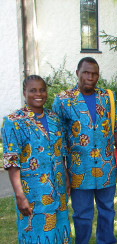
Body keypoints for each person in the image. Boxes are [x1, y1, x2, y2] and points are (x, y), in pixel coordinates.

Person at [52, 57, 117, 244]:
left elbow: (116, 128)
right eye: (86, 72)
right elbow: (57, 139)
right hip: (78, 169)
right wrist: (63, 170)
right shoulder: (63, 100)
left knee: (107, 210)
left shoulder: (106, 97)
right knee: (82, 214)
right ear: (78, 73)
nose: (90, 77)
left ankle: (106, 241)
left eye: (94, 74)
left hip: (106, 165)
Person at [1, 75, 71, 243]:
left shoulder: (54, 119)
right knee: (35, 231)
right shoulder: (13, 122)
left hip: (58, 187)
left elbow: (60, 151)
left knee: (59, 229)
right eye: (32, 90)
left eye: (42, 90)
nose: (38, 94)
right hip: (33, 191)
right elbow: (12, 162)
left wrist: (66, 177)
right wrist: (19, 195)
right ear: (24, 92)